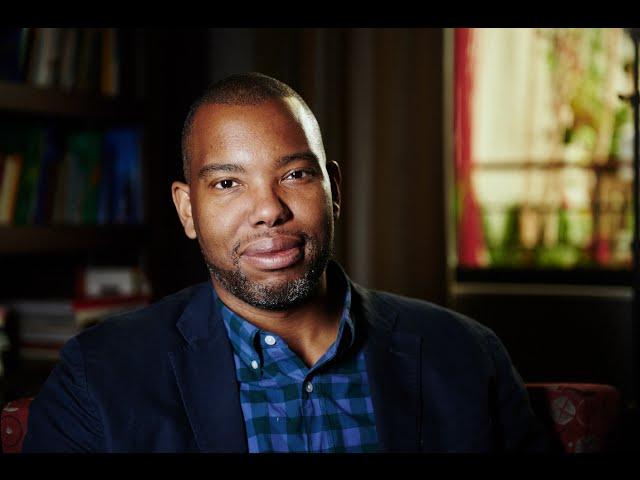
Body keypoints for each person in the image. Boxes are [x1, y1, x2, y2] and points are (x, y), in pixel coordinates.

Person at [23, 72, 549, 453]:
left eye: (295, 175)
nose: (269, 210)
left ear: (333, 189)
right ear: (188, 209)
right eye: (228, 183)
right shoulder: (98, 375)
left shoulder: (466, 355)